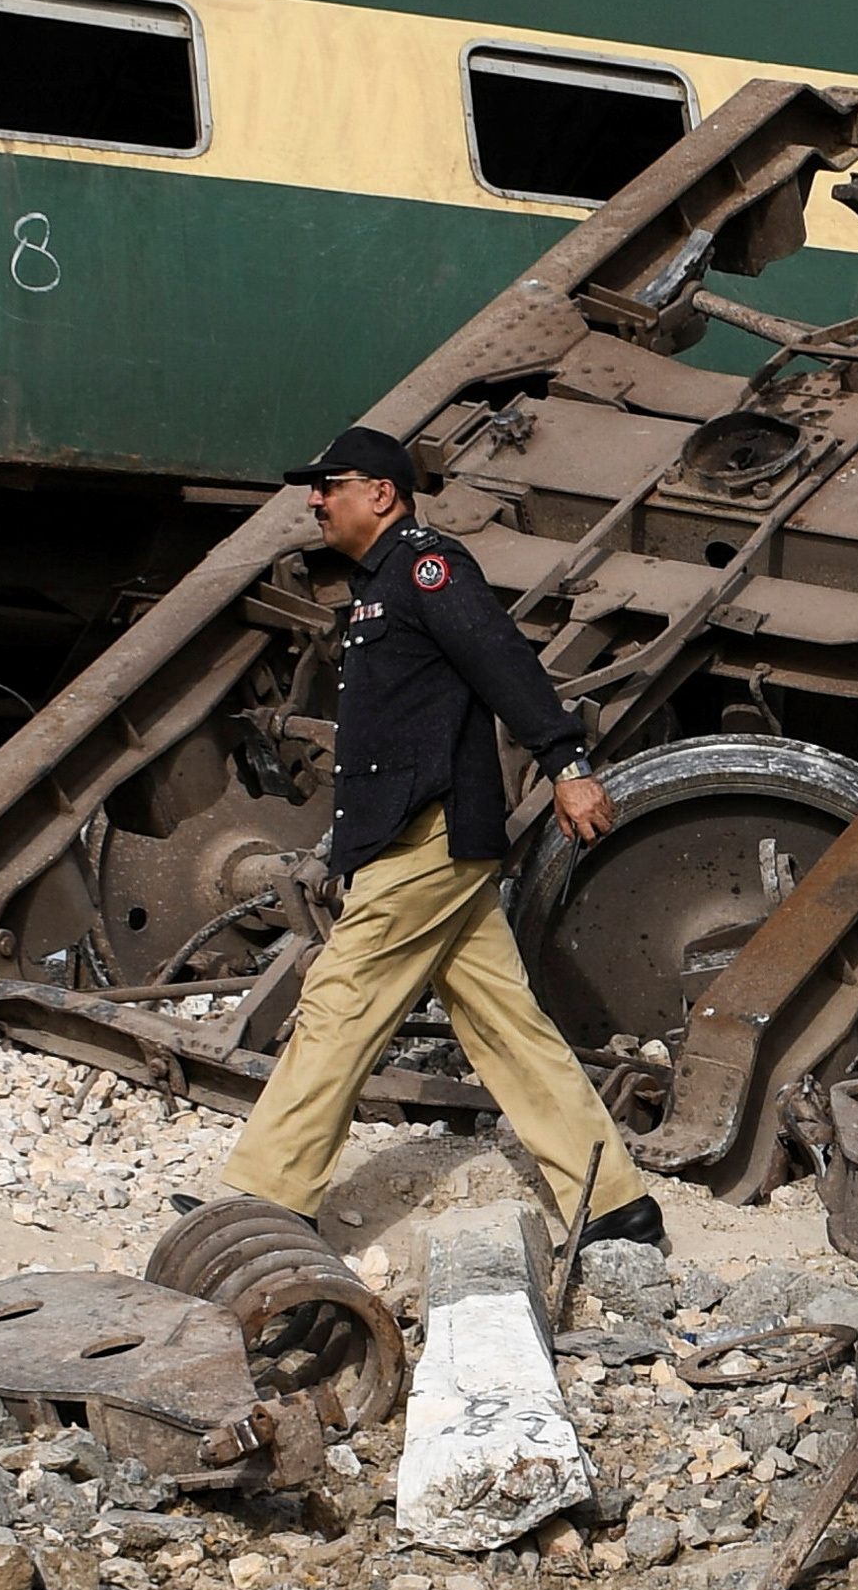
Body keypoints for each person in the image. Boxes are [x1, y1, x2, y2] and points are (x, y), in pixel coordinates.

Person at [209, 427, 661, 1245]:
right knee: (504, 1025)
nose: (316, 499)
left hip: (427, 832)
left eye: (331, 485)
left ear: (381, 493)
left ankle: (269, 1198)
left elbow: (502, 660)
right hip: (415, 830)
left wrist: (566, 762)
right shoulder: (381, 583)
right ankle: (616, 1202)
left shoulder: (427, 569)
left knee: (341, 999)